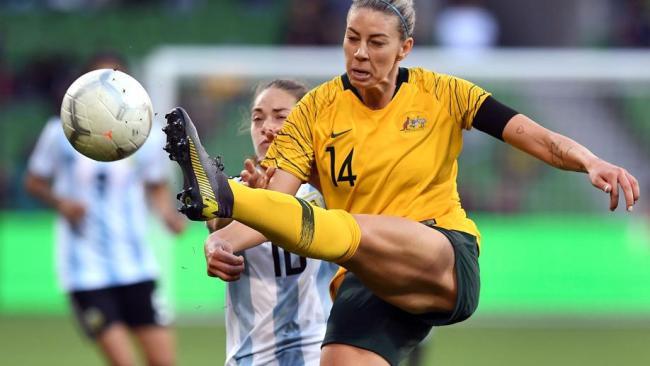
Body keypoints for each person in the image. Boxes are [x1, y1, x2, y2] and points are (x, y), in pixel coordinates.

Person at [162, 1, 641, 365]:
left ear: (404, 48)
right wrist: (222, 238)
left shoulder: (445, 93)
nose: (360, 53)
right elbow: (279, 202)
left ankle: (224, 192)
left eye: (376, 42)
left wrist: (589, 161)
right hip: (366, 284)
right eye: (352, 38)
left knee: (342, 226)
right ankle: (224, 195)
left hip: (441, 257)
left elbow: (533, 136)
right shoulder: (316, 109)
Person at [25, 52, 186, 366]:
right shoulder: (59, 133)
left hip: (136, 263)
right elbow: (34, 181)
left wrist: (167, 215)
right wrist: (61, 203)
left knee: (164, 362)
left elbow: (155, 185)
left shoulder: (146, 138)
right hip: (85, 268)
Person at [205, 80, 339, 365]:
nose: (267, 126)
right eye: (258, 118)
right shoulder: (235, 191)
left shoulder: (326, 190)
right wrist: (248, 204)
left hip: (319, 353)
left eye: (281, 116)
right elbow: (217, 223)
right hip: (252, 357)